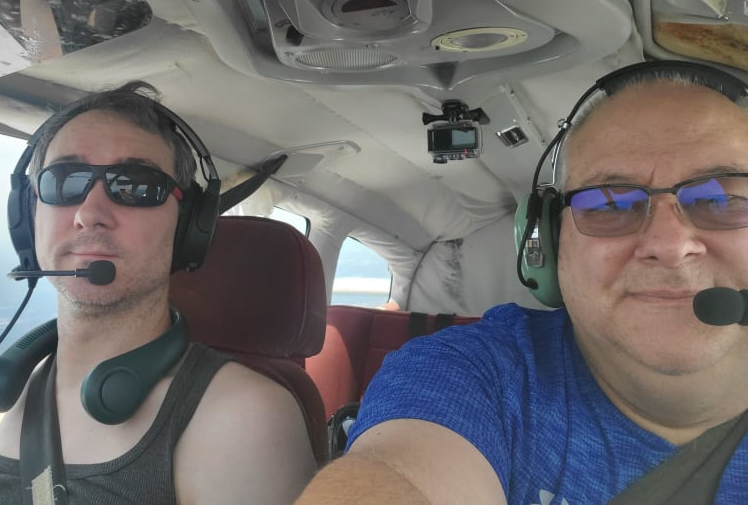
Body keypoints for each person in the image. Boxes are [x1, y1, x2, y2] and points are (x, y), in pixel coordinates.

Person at [296, 61, 748, 504]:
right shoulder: (475, 376)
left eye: (722, 199)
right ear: (550, 243)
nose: (669, 245)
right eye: (610, 206)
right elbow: (396, 473)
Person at [0, 81, 316, 505]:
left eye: (136, 185)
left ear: (187, 228)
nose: (90, 213)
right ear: (29, 218)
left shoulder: (243, 417)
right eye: (64, 180)